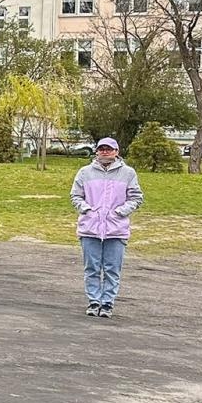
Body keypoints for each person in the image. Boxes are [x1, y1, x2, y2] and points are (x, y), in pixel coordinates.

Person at [71, 136, 144, 318]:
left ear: (116, 152)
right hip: (90, 228)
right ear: (97, 151)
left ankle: (108, 303)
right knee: (92, 268)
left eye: (109, 149)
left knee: (112, 269)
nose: (105, 152)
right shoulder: (85, 172)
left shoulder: (128, 173)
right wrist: (86, 209)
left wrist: (120, 212)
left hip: (116, 229)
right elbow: (75, 196)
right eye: (102, 149)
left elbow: (136, 197)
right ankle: (94, 301)